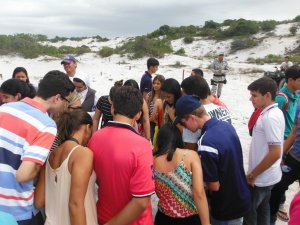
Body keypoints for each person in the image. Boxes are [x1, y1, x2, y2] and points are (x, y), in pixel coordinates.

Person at [0, 70, 74, 224]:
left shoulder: (5, 109)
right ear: (57, 98)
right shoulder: (46, 125)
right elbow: (23, 175)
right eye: (66, 101)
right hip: (16, 209)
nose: (65, 106)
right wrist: (39, 167)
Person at [175, 95, 251, 225]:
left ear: (192, 118)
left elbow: (214, 186)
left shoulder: (206, 142)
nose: (184, 127)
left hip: (226, 206)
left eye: (183, 123)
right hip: (241, 196)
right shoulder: (226, 126)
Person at [88, 86, 155, 225]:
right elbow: (141, 201)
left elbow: (97, 178)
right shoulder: (142, 146)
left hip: (103, 215)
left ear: (113, 109)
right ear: (138, 114)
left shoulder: (95, 138)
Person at [34, 110, 97, 225]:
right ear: (88, 127)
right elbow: (75, 204)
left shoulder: (50, 155)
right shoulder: (82, 154)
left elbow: (39, 201)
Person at [243, 77, 285, 225]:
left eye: (254, 95)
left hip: (261, 176)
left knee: (250, 212)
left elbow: (274, 152)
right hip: (268, 174)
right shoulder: (272, 111)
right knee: (263, 209)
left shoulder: (270, 117)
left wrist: (253, 174)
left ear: (267, 95)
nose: (250, 99)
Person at [153, 123, 210, 225]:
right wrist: (206, 223)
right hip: (189, 219)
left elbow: (156, 191)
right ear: (178, 138)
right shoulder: (190, 155)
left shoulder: (152, 160)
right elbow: (199, 193)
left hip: (163, 218)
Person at [271, 65, 300, 221]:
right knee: (280, 183)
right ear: (291, 80)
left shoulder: (297, 97)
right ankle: (273, 211)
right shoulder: (282, 98)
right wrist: (280, 151)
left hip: (291, 147)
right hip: (288, 148)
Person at [180, 75, 231, 150]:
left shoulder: (193, 117)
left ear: (193, 96)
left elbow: (189, 150)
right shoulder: (223, 109)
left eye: (184, 95)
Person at [147, 75, 165, 142]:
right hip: (151, 122)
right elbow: (146, 110)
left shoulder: (164, 96)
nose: (155, 85)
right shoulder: (149, 95)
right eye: (154, 83)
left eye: (158, 84)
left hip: (160, 121)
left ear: (162, 84)